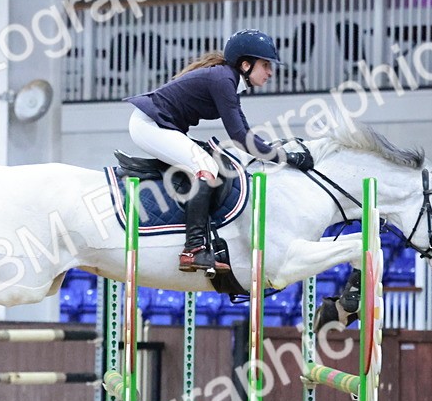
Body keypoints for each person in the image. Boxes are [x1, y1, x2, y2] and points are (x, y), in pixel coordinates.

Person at [125, 29, 313, 273]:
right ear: (246, 64)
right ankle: (192, 249)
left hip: (158, 125)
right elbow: (240, 138)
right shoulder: (223, 80)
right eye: (265, 65)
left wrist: (279, 153)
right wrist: (287, 158)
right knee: (206, 167)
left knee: (209, 162)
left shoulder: (228, 81)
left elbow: (245, 134)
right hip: (149, 125)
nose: (270, 72)